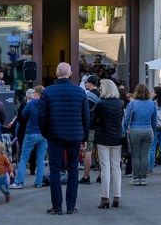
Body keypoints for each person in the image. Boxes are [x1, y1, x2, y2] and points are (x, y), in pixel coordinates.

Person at [36, 63, 90, 214]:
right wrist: (84, 137)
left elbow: (41, 117)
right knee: (73, 170)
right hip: (75, 135)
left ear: (56, 73)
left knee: (54, 169)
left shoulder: (47, 92)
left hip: (54, 135)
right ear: (71, 73)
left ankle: (57, 206)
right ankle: (71, 206)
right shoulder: (80, 92)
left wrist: (46, 133)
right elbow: (86, 117)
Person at [93, 79, 125, 208]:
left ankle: (104, 197)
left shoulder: (101, 104)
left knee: (105, 169)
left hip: (103, 137)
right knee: (116, 167)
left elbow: (94, 121)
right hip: (117, 137)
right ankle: (117, 196)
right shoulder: (120, 103)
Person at [14, 87, 47, 189]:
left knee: (24, 158)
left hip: (31, 132)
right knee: (41, 159)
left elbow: (23, 115)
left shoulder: (31, 104)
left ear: (37, 93)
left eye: (34, 92)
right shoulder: (46, 104)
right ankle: (39, 182)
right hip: (43, 133)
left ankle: (19, 182)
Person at [123, 83, 156, 186]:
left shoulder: (132, 104)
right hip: (148, 130)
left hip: (135, 130)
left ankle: (136, 178)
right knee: (145, 155)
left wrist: (125, 129)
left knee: (135, 155)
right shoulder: (152, 104)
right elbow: (154, 120)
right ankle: (144, 178)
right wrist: (153, 131)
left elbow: (126, 119)